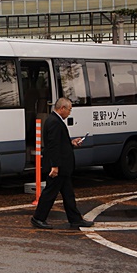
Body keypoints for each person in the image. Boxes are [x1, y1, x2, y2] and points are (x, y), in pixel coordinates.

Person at [31, 97, 95, 230]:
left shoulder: (54, 120)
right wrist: (55, 166)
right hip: (58, 166)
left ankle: (75, 219)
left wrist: (71, 142)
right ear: (62, 108)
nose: (70, 113)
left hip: (62, 166)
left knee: (68, 194)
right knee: (50, 193)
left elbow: (59, 143)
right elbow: (53, 146)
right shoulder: (54, 122)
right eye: (69, 110)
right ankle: (38, 218)